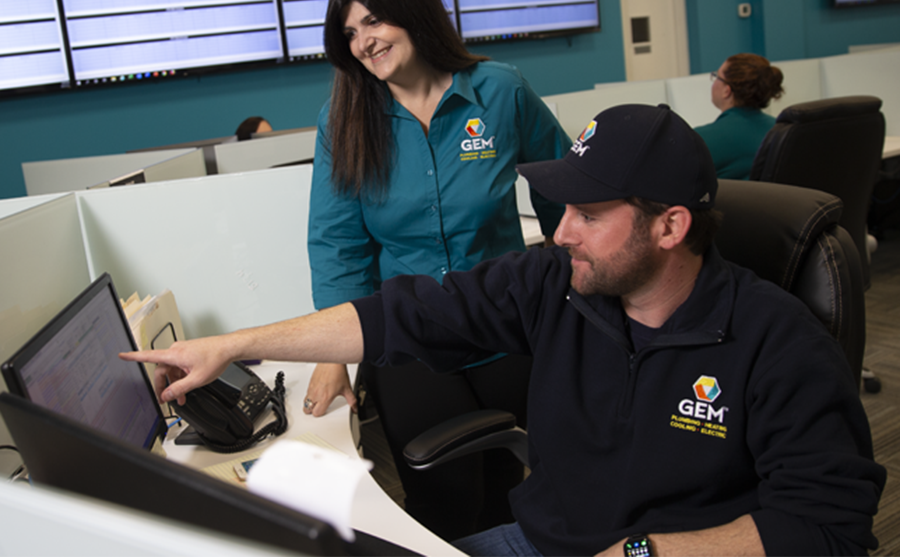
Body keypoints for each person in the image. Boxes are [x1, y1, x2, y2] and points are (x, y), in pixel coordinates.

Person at [123, 103, 885, 557]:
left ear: (669, 226)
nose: (561, 234)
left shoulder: (775, 341)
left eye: (589, 216)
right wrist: (235, 344)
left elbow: (829, 528)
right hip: (544, 542)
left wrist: (648, 552)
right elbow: (402, 315)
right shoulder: (556, 282)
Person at [303, 0, 569, 540]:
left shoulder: (500, 90)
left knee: (521, 487)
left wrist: (581, 280)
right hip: (410, 337)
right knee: (445, 500)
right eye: (349, 32)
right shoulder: (345, 119)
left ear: (413, 12)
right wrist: (334, 353)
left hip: (509, 323)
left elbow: (563, 190)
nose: (364, 42)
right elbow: (338, 244)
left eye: (373, 21)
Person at [694, 53, 784, 180]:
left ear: (727, 90)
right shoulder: (782, 132)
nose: (713, 83)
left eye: (717, 76)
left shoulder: (699, 141)